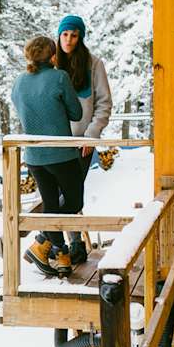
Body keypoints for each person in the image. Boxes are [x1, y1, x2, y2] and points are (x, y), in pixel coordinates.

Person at [11, 35, 84, 277]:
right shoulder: (59, 77)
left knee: (50, 204)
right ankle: (42, 241)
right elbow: (76, 113)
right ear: (53, 56)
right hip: (61, 154)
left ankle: (60, 254)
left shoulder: (19, 81)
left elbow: (22, 110)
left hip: (34, 156)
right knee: (74, 203)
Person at [54, 15, 112, 265]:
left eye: (74, 35)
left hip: (82, 143)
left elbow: (104, 104)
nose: (68, 39)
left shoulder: (94, 64)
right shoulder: (51, 64)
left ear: (81, 38)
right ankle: (64, 245)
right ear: (59, 36)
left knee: (72, 192)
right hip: (54, 142)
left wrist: (91, 136)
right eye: (65, 34)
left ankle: (64, 243)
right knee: (58, 193)